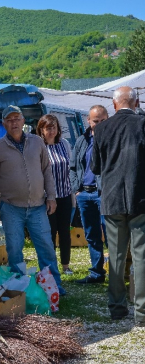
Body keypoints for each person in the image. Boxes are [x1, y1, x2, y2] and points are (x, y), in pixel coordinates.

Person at [0, 105, 66, 296]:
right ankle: (18, 288)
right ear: (4, 123)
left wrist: (51, 197)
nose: (14, 123)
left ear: (23, 121)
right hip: (11, 207)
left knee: (46, 246)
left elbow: (47, 170)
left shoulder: (37, 142)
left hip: (38, 206)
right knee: (14, 249)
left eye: (17, 118)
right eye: (10, 120)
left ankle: (54, 285)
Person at [91, 86, 145, 324]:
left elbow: (95, 167)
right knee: (142, 256)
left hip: (112, 199)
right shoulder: (143, 124)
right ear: (136, 103)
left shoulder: (101, 129)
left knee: (116, 256)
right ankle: (142, 313)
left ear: (113, 105)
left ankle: (117, 308)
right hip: (140, 198)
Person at [69, 105, 108, 284]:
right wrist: (77, 190)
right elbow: (73, 167)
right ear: (88, 121)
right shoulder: (81, 140)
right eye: (95, 121)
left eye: (102, 121)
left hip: (105, 194)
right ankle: (97, 273)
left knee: (110, 235)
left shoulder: (112, 139)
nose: (98, 124)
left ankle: (116, 274)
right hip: (85, 194)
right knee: (91, 235)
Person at [36, 114, 74, 275]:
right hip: (48, 198)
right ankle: (50, 267)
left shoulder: (64, 144)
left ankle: (65, 265)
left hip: (65, 195)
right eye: (48, 128)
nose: (51, 131)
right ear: (41, 130)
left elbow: (71, 167)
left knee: (65, 231)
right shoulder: (39, 148)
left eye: (54, 127)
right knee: (50, 233)